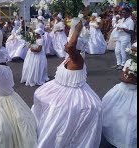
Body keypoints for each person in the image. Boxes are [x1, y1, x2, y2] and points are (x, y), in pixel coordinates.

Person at [31, 20, 102, 148]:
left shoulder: (78, 59)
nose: (66, 44)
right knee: (40, 97)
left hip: (73, 94)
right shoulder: (69, 57)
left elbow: (70, 47)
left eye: (69, 42)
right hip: (58, 88)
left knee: (60, 113)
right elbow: (69, 47)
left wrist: (77, 29)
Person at [102, 43, 137, 148]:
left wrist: (134, 81)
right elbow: (122, 76)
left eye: (136, 51)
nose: (134, 53)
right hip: (123, 90)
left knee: (132, 119)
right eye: (133, 50)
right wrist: (128, 79)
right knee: (116, 113)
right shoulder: (129, 62)